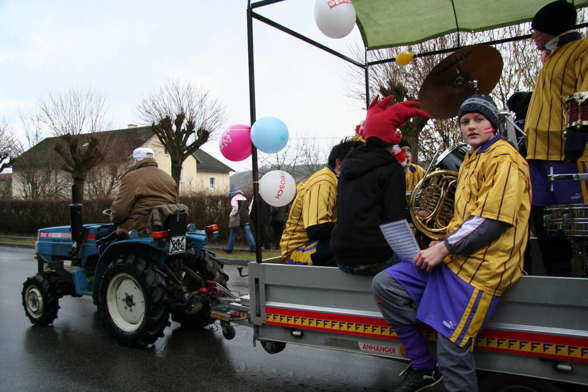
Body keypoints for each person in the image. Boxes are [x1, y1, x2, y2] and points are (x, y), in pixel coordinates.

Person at [372, 95, 531, 392]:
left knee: (452, 354)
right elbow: (466, 218)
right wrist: (440, 239)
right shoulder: (472, 158)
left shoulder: (505, 159)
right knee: (386, 285)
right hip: (456, 258)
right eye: (465, 121)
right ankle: (423, 365)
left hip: (481, 268)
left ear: (493, 125)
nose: (471, 126)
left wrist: (443, 248)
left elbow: (492, 221)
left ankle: (445, 326)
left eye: (479, 120)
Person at [331, 96, 431, 274]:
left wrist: (412, 214)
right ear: (393, 139)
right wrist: (416, 256)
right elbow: (394, 221)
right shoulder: (391, 169)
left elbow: (366, 209)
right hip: (372, 256)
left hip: (342, 257)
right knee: (428, 271)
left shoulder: (348, 164)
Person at [525, 0, 588, 276]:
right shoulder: (551, 57)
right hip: (537, 154)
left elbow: (585, 91)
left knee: (575, 224)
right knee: (545, 224)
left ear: (552, 29)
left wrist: (579, 132)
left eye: (536, 30)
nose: (533, 36)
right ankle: (555, 278)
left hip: (566, 155)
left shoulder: (581, 49)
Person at [279, 139, 362, 266]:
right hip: (298, 251)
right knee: (355, 246)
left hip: (316, 244)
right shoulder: (323, 182)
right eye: (358, 162)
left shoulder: (337, 181)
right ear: (339, 163)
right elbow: (316, 230)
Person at [110, 147, 178, 237]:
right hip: (165, 226)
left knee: (103, 239)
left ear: (136, 160)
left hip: (139, 228)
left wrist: (114, 218)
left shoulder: (131, 177)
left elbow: (120, 210)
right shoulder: (168, 178)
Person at [224, 189, 256, 253]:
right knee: (248, 233)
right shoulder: (244, 198)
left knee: (233, 233)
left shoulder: (234, 198)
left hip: (237, 218)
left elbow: (235, 207)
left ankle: (229, 249)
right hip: (245, 218)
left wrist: (232, 214)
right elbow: (248, 208)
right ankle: (253, 248)